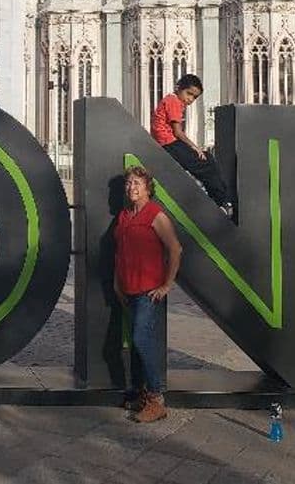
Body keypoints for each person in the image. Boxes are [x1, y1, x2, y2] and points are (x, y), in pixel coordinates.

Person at [114, 164, 183, 424]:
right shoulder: (123, 216)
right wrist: (116, 284)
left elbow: (176, 249)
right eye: (129, 183)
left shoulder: (156, 215)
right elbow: (120, 253)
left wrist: (167, 284)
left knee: (142, 340)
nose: (132, 187)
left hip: (148, 291)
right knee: (136, 343)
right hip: (128, 290)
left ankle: (156, 399)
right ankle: (142, 394)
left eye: (137, 184)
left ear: (147, 189)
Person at [150, 74, 233, 218]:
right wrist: (195, 147)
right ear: (178, 88)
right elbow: (178, 132)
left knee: (207, 161)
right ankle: (222, 201)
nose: (190, 99)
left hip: (168, 142)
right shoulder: (173, 101)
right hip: (169, 143)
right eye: (189, 94)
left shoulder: (171, 100)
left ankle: (220, 200)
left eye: (194, 97)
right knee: (206, 163)